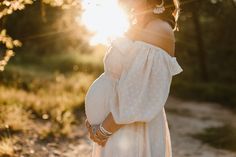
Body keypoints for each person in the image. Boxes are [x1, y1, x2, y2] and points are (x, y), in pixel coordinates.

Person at [84, 0, 183, 156]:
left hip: (131, 131)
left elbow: (139, 94)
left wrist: (103, 130)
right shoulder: (134, 25)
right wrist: (96, 122)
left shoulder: (159, 30)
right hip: (114, 127)